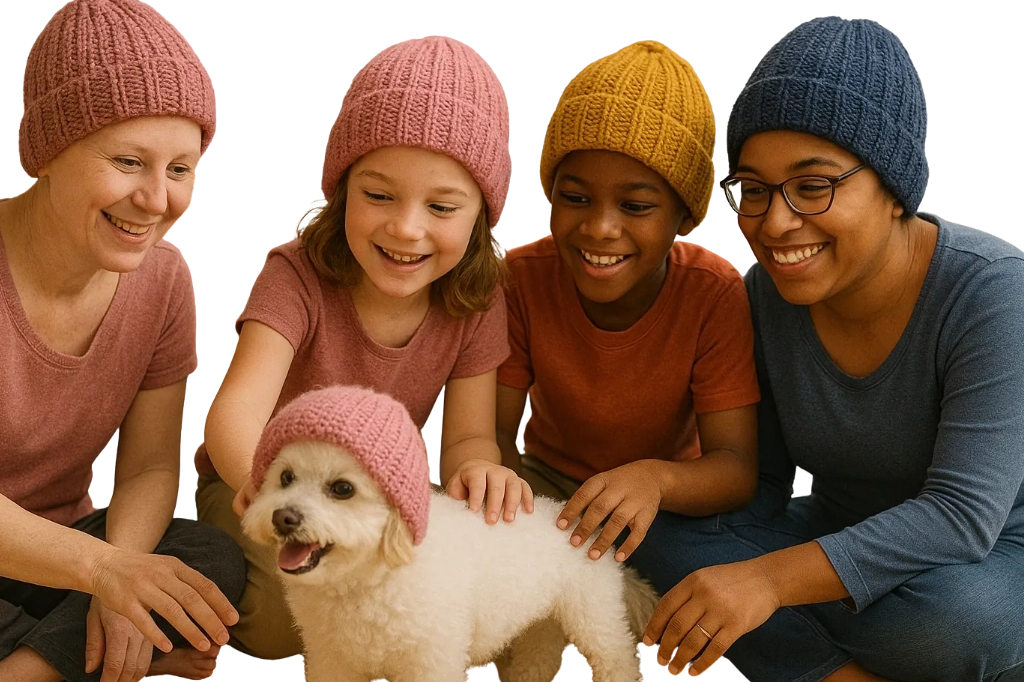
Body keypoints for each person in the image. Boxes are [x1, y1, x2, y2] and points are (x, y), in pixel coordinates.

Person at [632, 16, 1024, 681]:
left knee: (951, 624)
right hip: (826, 539)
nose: (775, 223)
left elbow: (961, 517)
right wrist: (672, 507)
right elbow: (761, 485)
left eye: (813, 186)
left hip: (981, 559)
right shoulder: (761, 298)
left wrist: (768, 585)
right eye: (752, 190)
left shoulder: (993, 292)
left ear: (893, 187)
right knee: (646, 537)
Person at [194, 35, 531, 661]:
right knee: (279, 627)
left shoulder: (476, 298)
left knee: (438, 595)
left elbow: (465, 439)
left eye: (441, 206)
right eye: (378, 195)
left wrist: (478, 468)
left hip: (370, 503)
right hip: (262, 484)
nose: (406, 228)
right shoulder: (298, 275)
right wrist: (271, 491)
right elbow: (233, 420)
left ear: (482, 214)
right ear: (342, 187)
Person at [0, 2, 246, 682]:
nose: (157, 199)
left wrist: (124, 584)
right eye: (130, 161)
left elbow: (145, 471)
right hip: (58, 561)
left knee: (207, 560)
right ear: (48, 151)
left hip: (68, 556)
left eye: (180, 169)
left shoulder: (164, 282)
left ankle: (49, 659)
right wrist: (107, 574)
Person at [498, 39, 760, 565]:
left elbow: (734, 467)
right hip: (545, 483)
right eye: (574, 198)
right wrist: (511, 517)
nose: (599, 228)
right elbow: (495, 434)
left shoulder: (713, 292)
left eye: (636, 205)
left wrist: (656, 479)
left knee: (715, 575)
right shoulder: (520, 279)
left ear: (684, 217)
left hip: (668, 497)